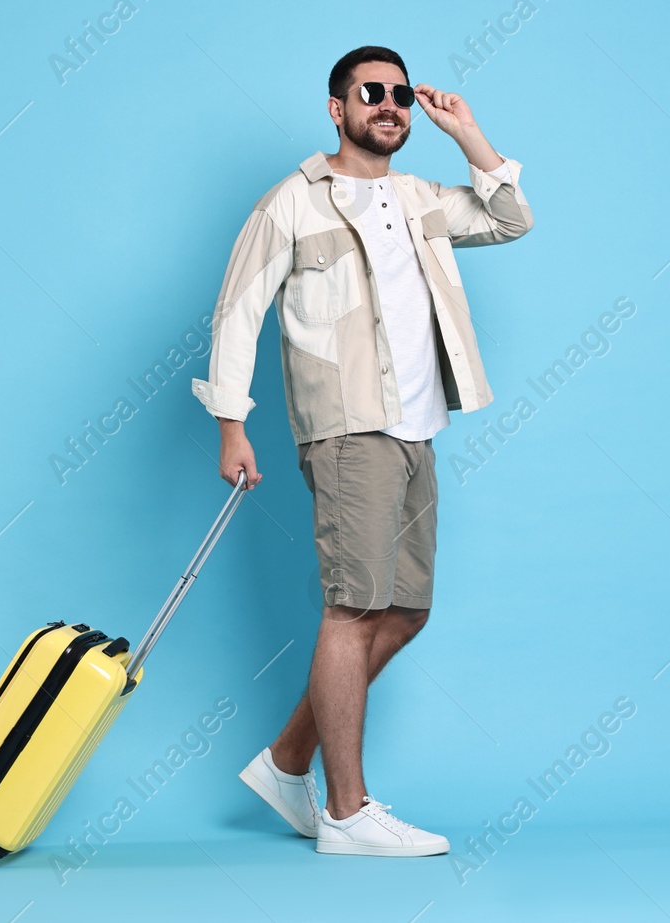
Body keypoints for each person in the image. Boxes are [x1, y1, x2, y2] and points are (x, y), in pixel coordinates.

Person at [191, 45, 532, 856]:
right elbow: (237, 311)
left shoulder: (420, 197)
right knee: (353, 607)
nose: (389, 104)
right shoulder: (292, 203)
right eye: (370, 92)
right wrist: (231, 425)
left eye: (401, 94)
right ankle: (346, 811)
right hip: (346, 425)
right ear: (337, 110)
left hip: (419, 427)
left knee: (405, 609)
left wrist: (470, 134)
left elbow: (510, 217)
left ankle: (286, 762)